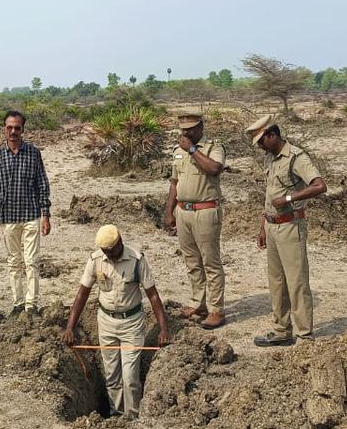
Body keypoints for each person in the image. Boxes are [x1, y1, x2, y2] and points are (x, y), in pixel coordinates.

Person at [62, 225, 169, 420]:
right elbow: (82, 294)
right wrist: (70, 327)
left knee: (129, 377)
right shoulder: (95, 261)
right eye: (106, 251)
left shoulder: (137, 260)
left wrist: (163, 329)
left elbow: (153, 296)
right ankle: (115, 415)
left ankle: (132, 417)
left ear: (120, 241)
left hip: (132, 324)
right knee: (112, 375)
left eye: (112, 250)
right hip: (106, 323)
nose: (110, 255)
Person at [246, 115, 327, 347]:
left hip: (291, 225)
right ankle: (281, 330)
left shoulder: (296, 157)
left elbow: (320, 185)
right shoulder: (270, 159)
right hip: (272, 226)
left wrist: (290, 198)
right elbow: (270, 196)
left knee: (297, 282)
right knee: (277, 282)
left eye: (261, 141)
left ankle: (304, 336)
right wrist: (263, 226)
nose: (260, 146)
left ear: (272, 135)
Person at [163, 113, 227, 329]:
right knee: (192, 262)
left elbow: (214, 169)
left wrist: (192, 149)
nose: (186, 133)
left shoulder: (213, 148)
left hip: (206, 211)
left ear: (201, 127)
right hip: (184, 212)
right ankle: (198, 304)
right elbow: (174, 182)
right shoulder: (176, 151)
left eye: (191, 128)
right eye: (183, 129)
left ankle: (216, 310)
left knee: (211, 262)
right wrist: (169, 211)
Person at [0, 110, 51, 315]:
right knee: (14, 262)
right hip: (8, 217)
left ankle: (31, 304)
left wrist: (46, 215)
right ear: (4, 129)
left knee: (32, 261)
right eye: (9, 127)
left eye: (17, 128)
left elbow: (42, 184)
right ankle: (18, 303)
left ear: (23, 129)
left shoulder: (33, 153)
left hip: (31, 215)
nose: (13, 131)